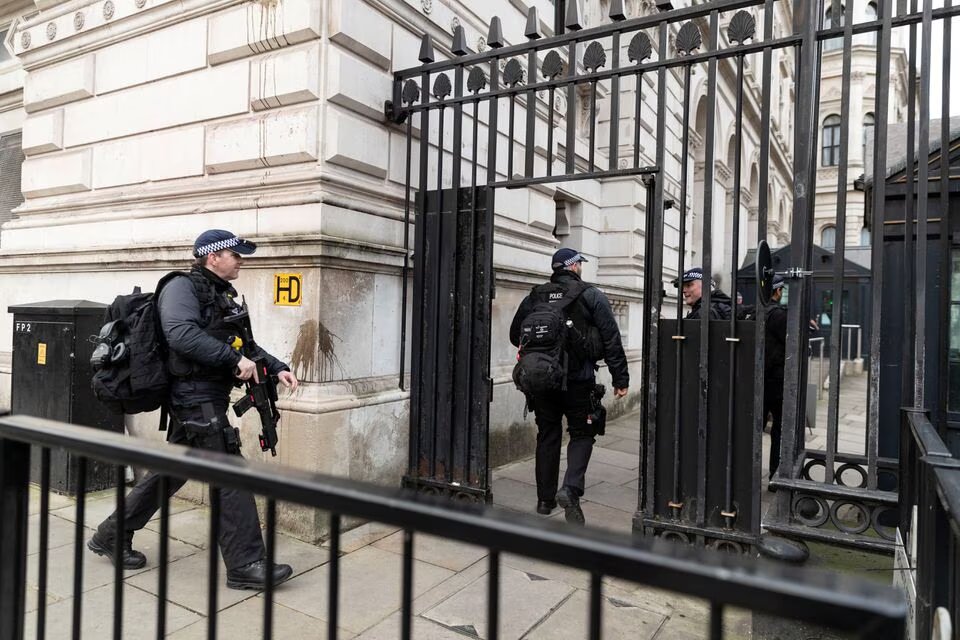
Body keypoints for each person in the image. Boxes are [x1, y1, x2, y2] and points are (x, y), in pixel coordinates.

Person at [88, 229, 299, 590]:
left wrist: (277, 367)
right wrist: (233, 359)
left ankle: (112, 534)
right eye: (235, 254)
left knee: (173, 470)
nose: (241, 261)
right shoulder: (181, 288)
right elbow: (180, 334)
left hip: (208, 395)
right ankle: (246, 563)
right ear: (213, 256)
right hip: (192, 395)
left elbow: (245, 344)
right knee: (230, 472)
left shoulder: (222, 295)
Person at [509, 248, 629, 524]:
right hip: (579, 380)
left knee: (547, 434)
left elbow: (516, 335)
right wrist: (620, 378)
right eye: (579, 264)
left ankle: (544, 501)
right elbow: (611, 338)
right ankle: (570, 489)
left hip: (543, 381)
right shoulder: (591, 295)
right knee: (582, 433)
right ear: (573, 266)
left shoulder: (535, 296)